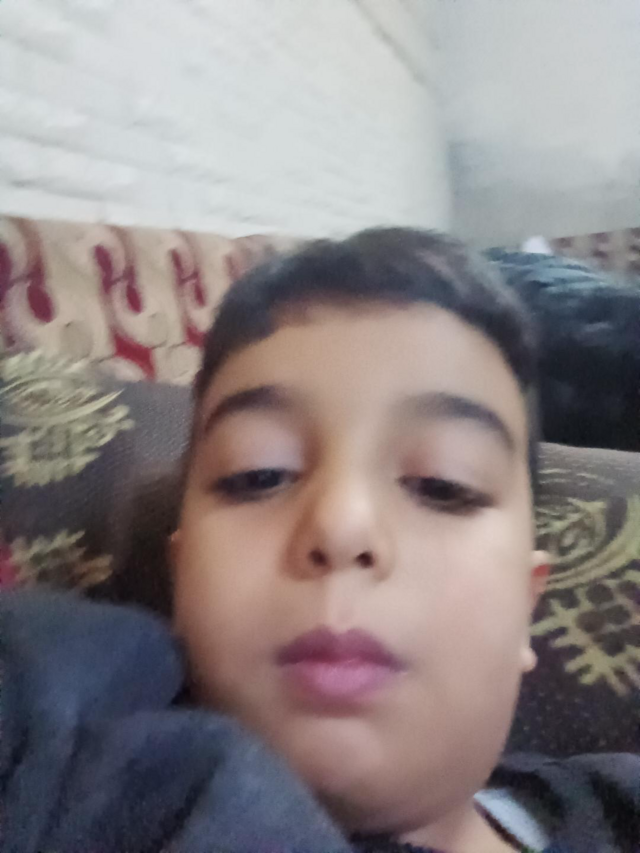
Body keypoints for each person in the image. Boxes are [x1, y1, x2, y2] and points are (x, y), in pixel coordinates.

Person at [1, 228, 638, 853]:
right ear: (181, 575)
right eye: (259, 474)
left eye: (442, 485)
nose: (341, 525)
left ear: (526, 607)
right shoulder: (73, 747)